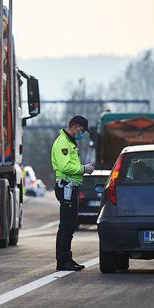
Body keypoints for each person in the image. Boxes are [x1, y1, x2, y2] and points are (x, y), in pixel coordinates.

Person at [51, 115, 95, 271]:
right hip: (66, 187)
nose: (82, 133)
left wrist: (82, 168)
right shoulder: (63, 143)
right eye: (82, 130)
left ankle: (67, 258)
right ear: (75, 127)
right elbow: (65, 167)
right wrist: (84, 169)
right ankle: (62, 261)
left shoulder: (70, 143)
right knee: (66, 225)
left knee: (70, 225)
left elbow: (70, 164)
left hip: (71, 187)